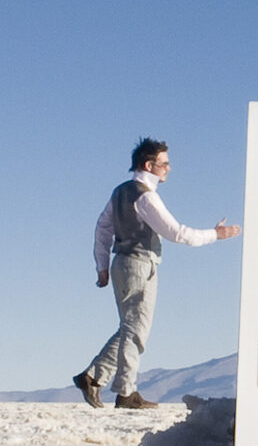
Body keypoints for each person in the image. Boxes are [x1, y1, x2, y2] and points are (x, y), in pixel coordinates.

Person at [74, 138, 241, 409]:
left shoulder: (120, 191)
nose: (169, 169)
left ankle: (93, 376)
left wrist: (102, 265)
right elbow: (177, 233)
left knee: (129, 327)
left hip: (121, 264)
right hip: (139, 265)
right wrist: (217, 234)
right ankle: (126, 393)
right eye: (164, 164)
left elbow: (102, 228)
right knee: (136, 330)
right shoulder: (146, 196)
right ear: (149, 165)